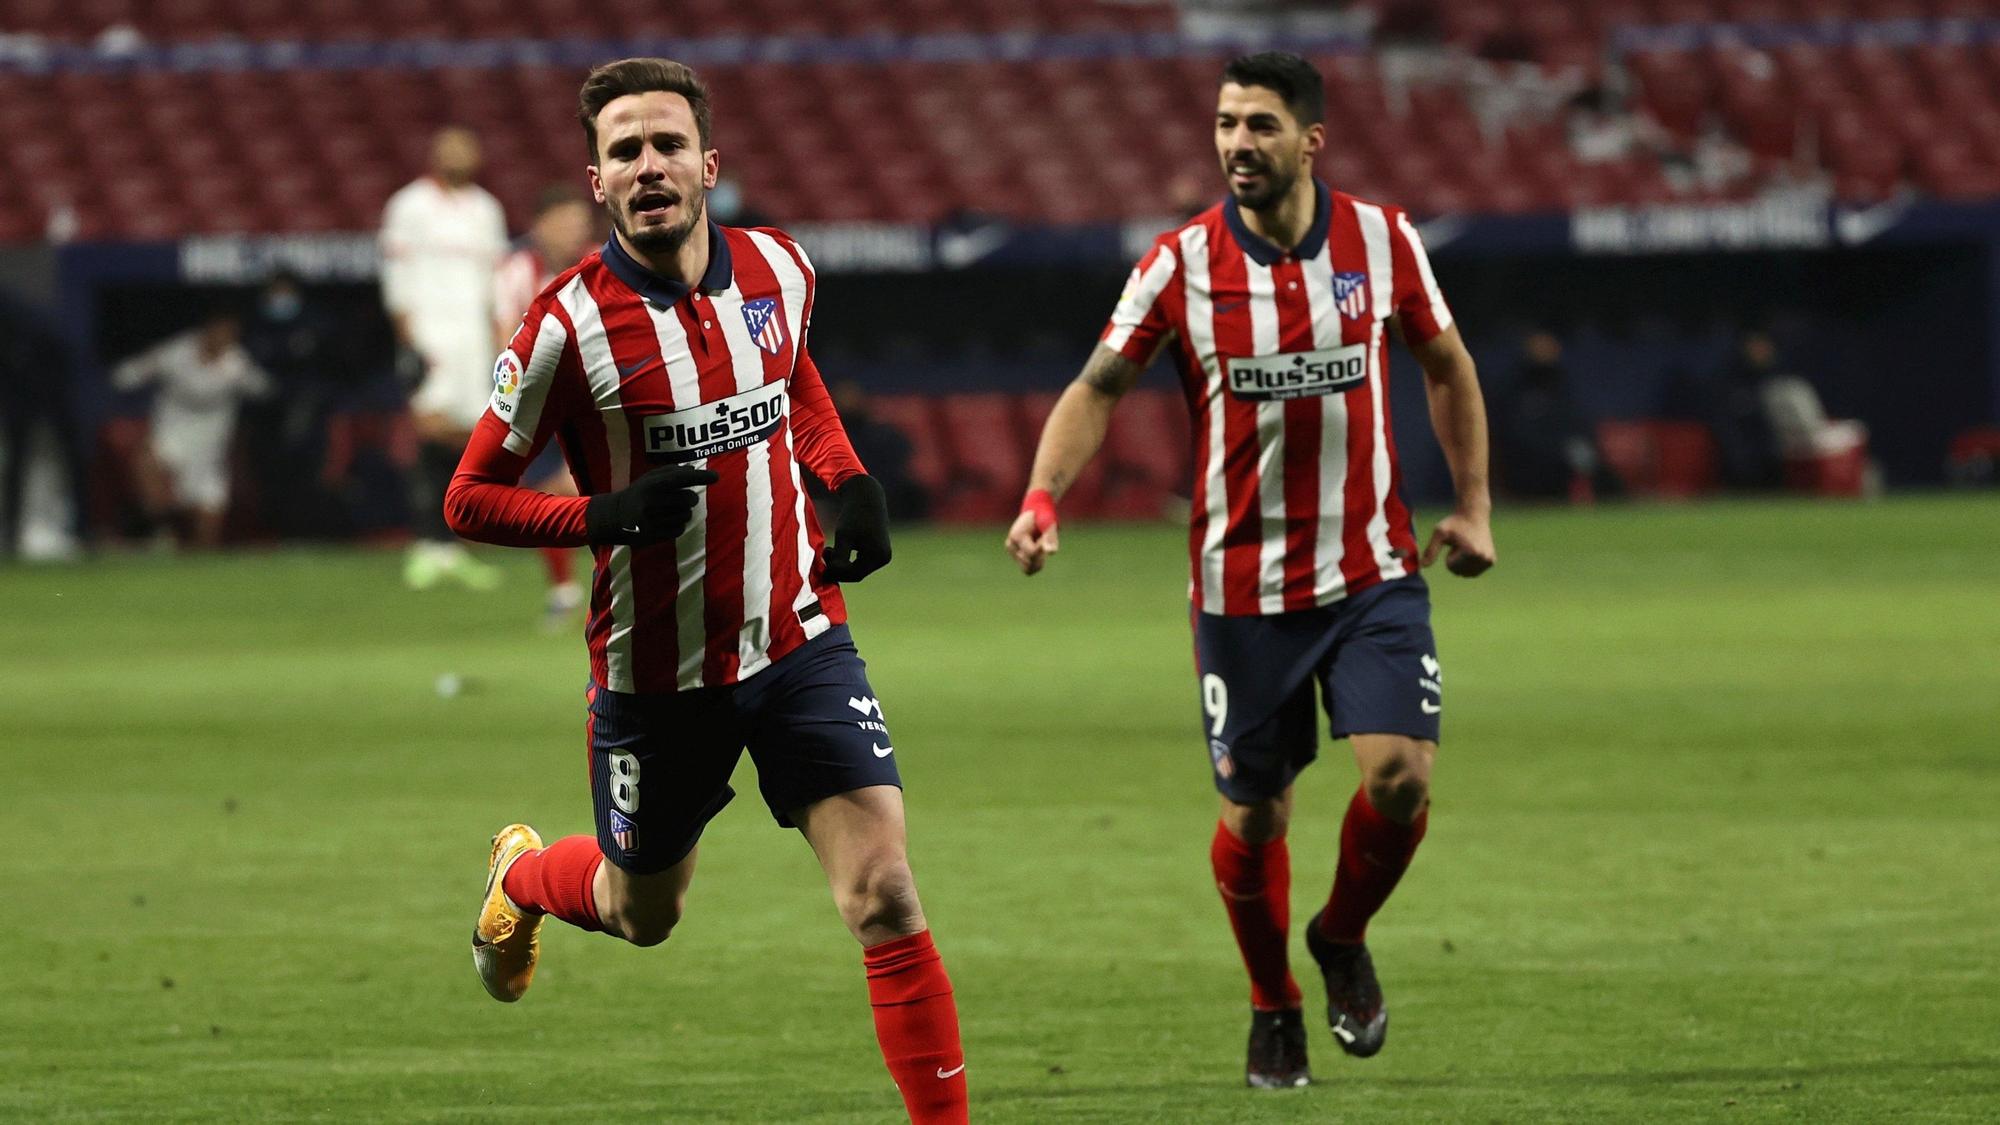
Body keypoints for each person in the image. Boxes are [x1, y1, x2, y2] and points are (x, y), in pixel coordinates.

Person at [442, 59, 968, 1124]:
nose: (648, 166)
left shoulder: (781, 267)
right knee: (643, 913)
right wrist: (597, 516)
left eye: (666, 145)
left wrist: (847, 479)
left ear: (707, 165)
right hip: (657, 673)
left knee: (886, 893)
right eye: (624, 150)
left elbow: (792, 377)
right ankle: (524, 878)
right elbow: (467, 498)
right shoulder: (562, 327)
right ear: (596, 181)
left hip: (799, 640)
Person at [1004, 52, 1496, 1090]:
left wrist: (1473, 505)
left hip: (1370, 569)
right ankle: (1272, 1002)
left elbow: (1444, 363)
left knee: (1401, 777)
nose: (1236, 142)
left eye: (1260, 124)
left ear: (1309, 140)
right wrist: (1043, 495)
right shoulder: (1177, 263)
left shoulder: (1380, 240)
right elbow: (1095, 387)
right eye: (1225, 123)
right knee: (1254, 815)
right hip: (1240, 593)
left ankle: (1340, 938)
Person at [380, 125, 509, 589]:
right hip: (431, 336)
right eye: (449, 148)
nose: (458, 156)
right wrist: (408, 341)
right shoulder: (409, 206)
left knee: (471, 438)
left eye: (465, 148)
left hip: (474, 342)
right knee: (429, 428)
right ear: (434, 155)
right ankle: (425, 543)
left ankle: (451, 544)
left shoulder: (486, 209)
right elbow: (396, 276)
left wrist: (501, 340)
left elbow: (496, 281)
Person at [492, 185, 598, 626]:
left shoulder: (602, 263)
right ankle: (565, 589)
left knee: (586, 490)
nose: (572, 232)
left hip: (597, 393)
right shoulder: (516, 271)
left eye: (578, 222)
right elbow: (504, 335)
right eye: (563, 222)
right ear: (540, 226)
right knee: (543, 495)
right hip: (538, 394)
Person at [111, 309, 273, 549]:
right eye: (221, 331)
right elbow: (129, 374)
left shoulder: (236, 363)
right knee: (148, 461)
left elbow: (265, 389)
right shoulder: (178, 351)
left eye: (231, 334)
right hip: (172, 430)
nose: (225, 338)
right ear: (208, 330)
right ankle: (159, 526)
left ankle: (188, 555)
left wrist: (244, 376)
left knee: (207, 529)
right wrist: (125, 377)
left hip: (210, 445)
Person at [240, 268, 349, 537]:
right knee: (271, 480)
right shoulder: (255, 325)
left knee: (308, 478)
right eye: (276, 292)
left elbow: (337, 368)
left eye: (286, 292)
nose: (281, 298)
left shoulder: (317, 323)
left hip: (308, 415)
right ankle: (275, 535)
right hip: (266, 418)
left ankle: (310, 534)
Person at [1493, 329, 1620, 502]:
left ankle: (1616, 508)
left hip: (1561, 467)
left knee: (1599, 470)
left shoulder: (1561, 386)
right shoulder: (1515, 391)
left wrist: (1579, 449)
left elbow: (1577, 423)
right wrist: (1558, 450)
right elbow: (1515, 435)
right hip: (1527, 467)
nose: (1545, 353)